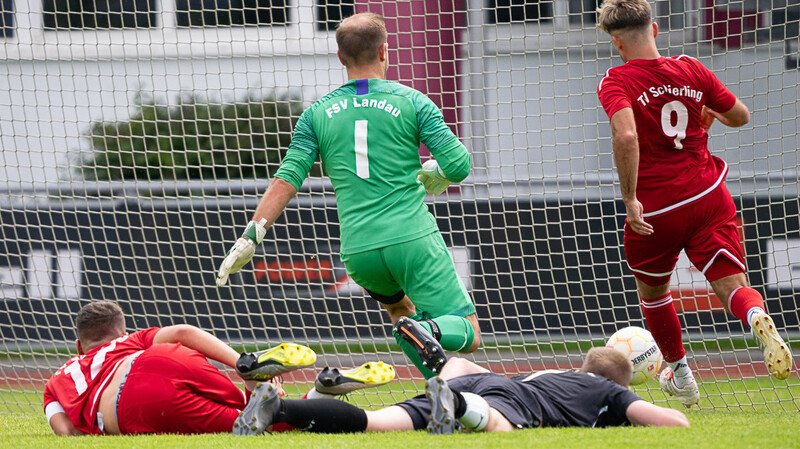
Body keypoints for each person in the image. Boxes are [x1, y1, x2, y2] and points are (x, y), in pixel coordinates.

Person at [216, 12, 480, 379]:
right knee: (467, 332)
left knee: (401, 312)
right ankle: (433, 332)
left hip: (358, 250)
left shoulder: (316, 114)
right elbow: (459, 164)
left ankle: (440, 389)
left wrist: (252, 235)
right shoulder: (413, 102)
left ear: (341, 57)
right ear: (385, 51)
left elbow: (287, 178)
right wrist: (435, 176)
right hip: (410, 237)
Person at [595, 0, 792, 408]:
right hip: (708, 195)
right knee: (730, 285)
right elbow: (740, 116)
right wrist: (706, 113)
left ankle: (683, 379)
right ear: (655, 29)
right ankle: (755, 316)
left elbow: (627, 136)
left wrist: (630, 198)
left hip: (658, 209)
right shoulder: (692, 69)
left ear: (617, 42)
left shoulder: (616, 80)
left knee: (654, 294)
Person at [232, 347, 689, 436]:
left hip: (480, 378)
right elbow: (677, 422)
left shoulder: (551, 373)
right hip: (498, 399)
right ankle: (462, 407)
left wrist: (451, 373)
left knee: (376, 422)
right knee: (502, 426)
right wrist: (631, 404)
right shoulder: (609, 394)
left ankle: (281, 407)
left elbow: (470, 364)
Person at [43, 300, 317, 435]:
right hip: (168, 356)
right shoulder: (130, 340)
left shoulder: (56, 381)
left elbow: (67, 432)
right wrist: (240, 363)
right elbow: (184, 331)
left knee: (262, 421)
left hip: (136, 400)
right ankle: (263, 376)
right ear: (121, 331)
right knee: (255, 404)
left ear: (80, 346)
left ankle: (314, 402)